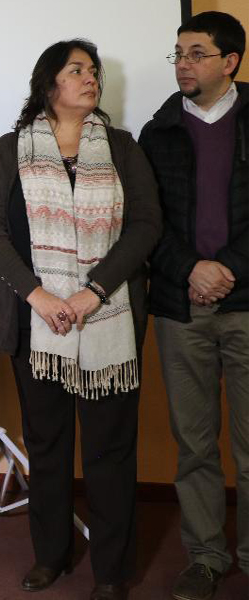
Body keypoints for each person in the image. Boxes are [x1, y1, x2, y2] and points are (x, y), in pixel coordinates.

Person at [0, 40, 162, 600]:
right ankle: (50, 556)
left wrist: (92, 293)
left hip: (109, 321)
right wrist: (38, 295)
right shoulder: (8, 150)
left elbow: (147, 225)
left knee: (109, 451)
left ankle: (111, 571)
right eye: (76, 69)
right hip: (36, 326)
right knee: (48, 446)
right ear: (48, 83)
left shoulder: (122, 148)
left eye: (94, 70)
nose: (90, 78)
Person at [138, 12, 247, 600]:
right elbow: (145, 222)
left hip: (247, 303)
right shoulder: (158, 130)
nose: (183, 64)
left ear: (230, 62)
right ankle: (206, 557)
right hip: (182, 308)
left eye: (197, 53)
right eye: (178, 53)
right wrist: (191, 270)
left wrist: (227, 269)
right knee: (196, 445)